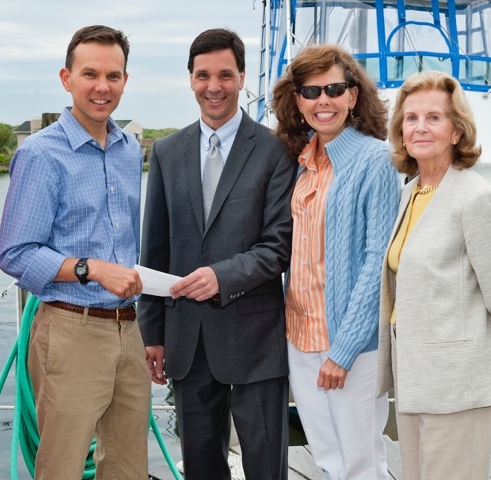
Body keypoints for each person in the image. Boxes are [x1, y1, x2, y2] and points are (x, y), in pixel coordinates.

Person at [138, 28, 295, 480]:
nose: (214, 86)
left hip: (256, 339)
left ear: (242, 77)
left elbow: (278, 245)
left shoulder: (276, 149)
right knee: (202, 469)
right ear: (190, 79)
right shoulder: (168, 152)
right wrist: (153, 331)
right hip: (186, 340)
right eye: (203, 75)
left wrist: (221, 276)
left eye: (225, 75)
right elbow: (156, 249)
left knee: (267, 468)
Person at [0, 25, 150, 480]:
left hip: (129, 330)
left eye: (114, 76)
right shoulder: (42, 154)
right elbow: (14, 253)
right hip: (69, 331)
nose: (102, 87)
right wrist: (92, 269)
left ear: (125, 80)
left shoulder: (128, 149)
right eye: (90, 74)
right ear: (67, 78)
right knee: (61, 468)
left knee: (127, 467)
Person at [377, 70, 491, 480]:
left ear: (456, 131)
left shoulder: (477, 199)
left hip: (458, 389)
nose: (420, 127)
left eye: (434, 117)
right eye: (411, 118)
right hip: (415, 384)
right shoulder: (411, 194)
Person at [271, 44, 399, 480]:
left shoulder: (374, 161)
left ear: (353, 96)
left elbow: (376, 262)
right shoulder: (303, 161)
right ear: (297, 100)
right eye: (310, 91)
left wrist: (342, 353)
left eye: (333, 88)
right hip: (301, 335)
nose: (322, 100)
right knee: (327, 457)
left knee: (361, 462)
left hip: (350, 345)